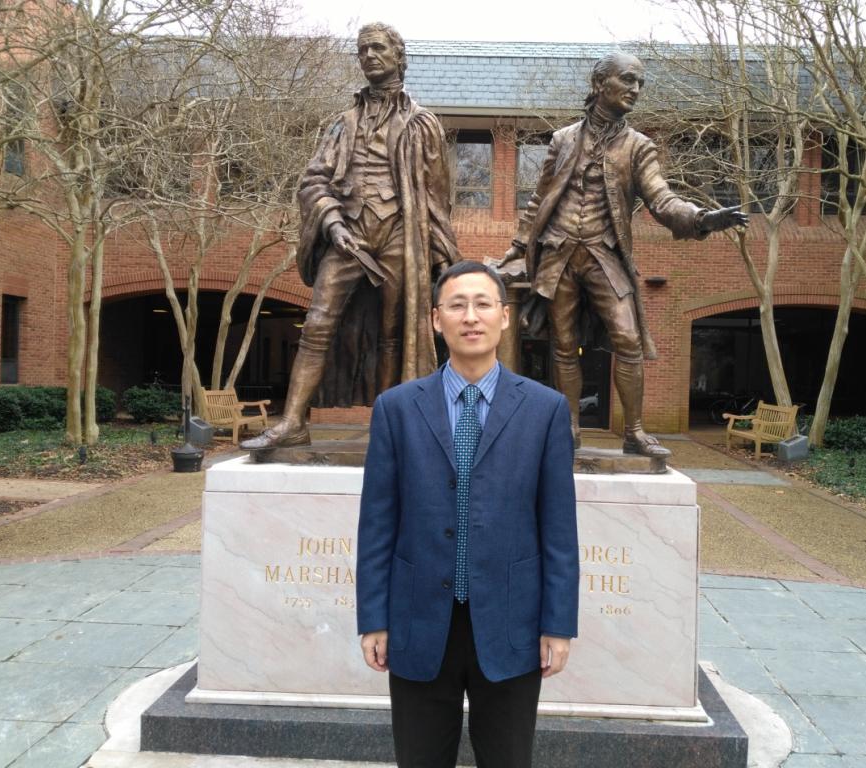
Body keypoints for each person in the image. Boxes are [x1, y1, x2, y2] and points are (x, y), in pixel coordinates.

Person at [356, 260, 579, 768]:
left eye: (483, 304)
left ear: (505, 316)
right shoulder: (396, 408)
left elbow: (559, 531)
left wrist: (558, 624)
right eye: (457, 305)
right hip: (417, 621)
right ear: (437, 319)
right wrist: (373, 618)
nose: (471, 317)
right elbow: (377, 525)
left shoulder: (545, 410)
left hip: (512, 622)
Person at [493, 52, 748, 456]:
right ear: (600, 83)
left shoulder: (638, 146)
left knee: (628, 339)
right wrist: (518, 248)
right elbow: (539, 200)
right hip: (558, 254)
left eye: (640, 83)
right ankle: (569, 429)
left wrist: (699, 218)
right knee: (563, 345)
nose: (636, 89)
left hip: (605, 255)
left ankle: (634, 432)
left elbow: (661, 198)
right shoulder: (563, 139)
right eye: (628, 79)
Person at [242, 22, 458, 450]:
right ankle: (292, 422)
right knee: (317, 324)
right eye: (362, 50)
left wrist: (441, 256)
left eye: (377, 48)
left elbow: (438, 197)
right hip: (349, 235)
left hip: (399, 235)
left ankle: (389, 427)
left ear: (398, 56)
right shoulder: (343, 123)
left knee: (395, 334)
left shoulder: (422, 123)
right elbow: (313, 181)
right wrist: (333, 224)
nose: (368, 56)